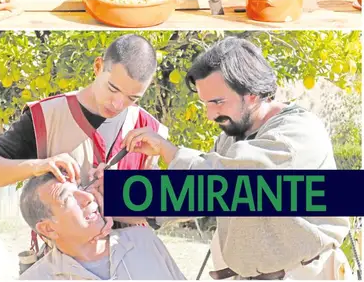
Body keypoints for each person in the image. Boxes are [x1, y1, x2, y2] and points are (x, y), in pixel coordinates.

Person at [124, 37, 352, 279]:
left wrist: (168, 150)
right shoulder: (232, 136)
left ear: (252, 92)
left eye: (218, 102)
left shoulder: (296, 135)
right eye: (205, 104)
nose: (210, 115)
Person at [0, 35, 168, 191]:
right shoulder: (47, 117)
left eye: (132, 98)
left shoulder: (150, 130)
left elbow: (186, 204)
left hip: (132, 243)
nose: (117, 104)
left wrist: (123, 190)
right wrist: (39, 166)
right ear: (98, 67)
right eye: (112, 89)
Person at [18, 173, 186, 279]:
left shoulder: (144, 241)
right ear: (49, 229)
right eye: (68, 198)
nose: (88, 197)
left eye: (81, 188)